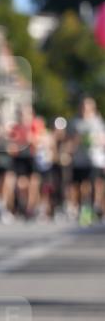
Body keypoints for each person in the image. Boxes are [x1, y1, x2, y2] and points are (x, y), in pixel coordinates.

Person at [67, 96, 105, 225]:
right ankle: (83, 209)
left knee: (93, 185)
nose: (85, 109)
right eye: (83, 106)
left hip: (94, 158)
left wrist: (97, 140)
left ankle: (94, 208)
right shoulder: (75, 122)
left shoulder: (97, 122)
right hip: (79, 159)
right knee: (79, 187)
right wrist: (75, 142)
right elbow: (69, 141)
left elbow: (103, 139)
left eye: (88, 106)